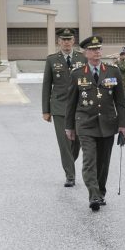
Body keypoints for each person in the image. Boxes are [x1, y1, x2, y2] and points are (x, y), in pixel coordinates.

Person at [64, 35, 125, 212]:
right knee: (89, 160)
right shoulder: (77, 73)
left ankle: (100, 191)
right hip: (85, 123)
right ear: (85, 53)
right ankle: (93, 195)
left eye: (99, 49)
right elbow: (71, 102)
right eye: (93, 49)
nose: (97, 52)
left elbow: (120, 102)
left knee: (103, 162)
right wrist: (69, 126)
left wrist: (123, 125)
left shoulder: (113, 71)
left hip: (108, 123)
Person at [42, 28, 86, 187]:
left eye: (69, 39)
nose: (66, 42)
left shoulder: (82, 58)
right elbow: (46, 86)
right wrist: (46, 110)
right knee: (64, 142)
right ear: (58, 42)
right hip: (59, 106)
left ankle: (69, 163)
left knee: (78, 141)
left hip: (80, 106)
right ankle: (70, 175)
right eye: (63, 40)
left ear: (73, 41)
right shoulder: (52, 60)